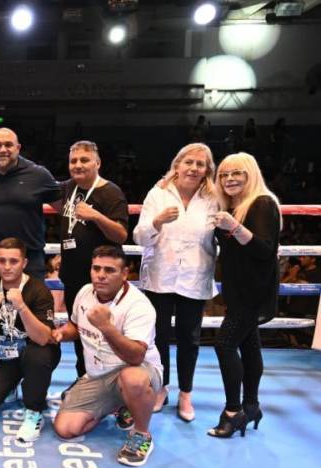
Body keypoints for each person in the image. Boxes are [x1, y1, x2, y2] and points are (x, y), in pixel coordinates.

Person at [52, 245, 162, 467]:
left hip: (139, 371)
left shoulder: (138, 305)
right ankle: (120, 405)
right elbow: (75, 326)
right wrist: (61, 333)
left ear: (124, 274)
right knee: (66, 428)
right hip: (98, 374)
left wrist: (106, 327)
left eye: (109, 270)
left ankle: (141, 434)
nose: (100, 275)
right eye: (96, 268)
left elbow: (136, 357)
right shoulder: (85, 293)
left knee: (132, 379)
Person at [133, 143, 219, 422]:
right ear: (177, 165)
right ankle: (161, 388)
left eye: (200, 164)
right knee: (157, 337)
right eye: (189, 162)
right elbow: (139, 237)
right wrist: (156, 222)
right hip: (160, 275)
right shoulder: (157, 193)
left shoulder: (214, 198)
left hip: (195, 276)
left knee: (189, 339)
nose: (193, 168)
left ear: (207, 170)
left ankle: (186, 393)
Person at [210, 152, 281, 438]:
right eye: (224, 175)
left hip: (254, 289)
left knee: (224, 344)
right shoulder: (232, 206)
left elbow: (265, 250)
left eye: (236, 173)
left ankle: (233, 412)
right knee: (249, 345)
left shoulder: (262, 203)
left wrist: (235, 227)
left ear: (250, 175)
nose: (229, 179)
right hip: (238, 288)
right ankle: (251, 406)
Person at [52, 140, 128, 379]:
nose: (78, 165)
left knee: (105, 333)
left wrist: (96, 216)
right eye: (73, 161)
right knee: (80, 332)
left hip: (102, 280)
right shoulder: (68, 187)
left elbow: (121, 235)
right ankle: (83, 380)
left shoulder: (111, 192)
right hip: (73, 277)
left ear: (98, 163)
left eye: (84, 160)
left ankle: (112, 383)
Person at [0, 238, 59, 443]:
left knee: (37, 356)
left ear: (24, 263)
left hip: (34, 352)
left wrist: (22, 307)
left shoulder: (38, 290)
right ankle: (10, 384)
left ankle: (34, 412)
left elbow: (43, 338)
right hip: (2, 354)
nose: (7, 266)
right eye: (2, 261)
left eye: (13, 261)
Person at [0, 128, 61, 280]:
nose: (3, 150)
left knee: (33, 296)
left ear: (18, 148)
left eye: (8, 145)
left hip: (30, 258)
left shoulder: (39, 175)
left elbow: (64, 208)